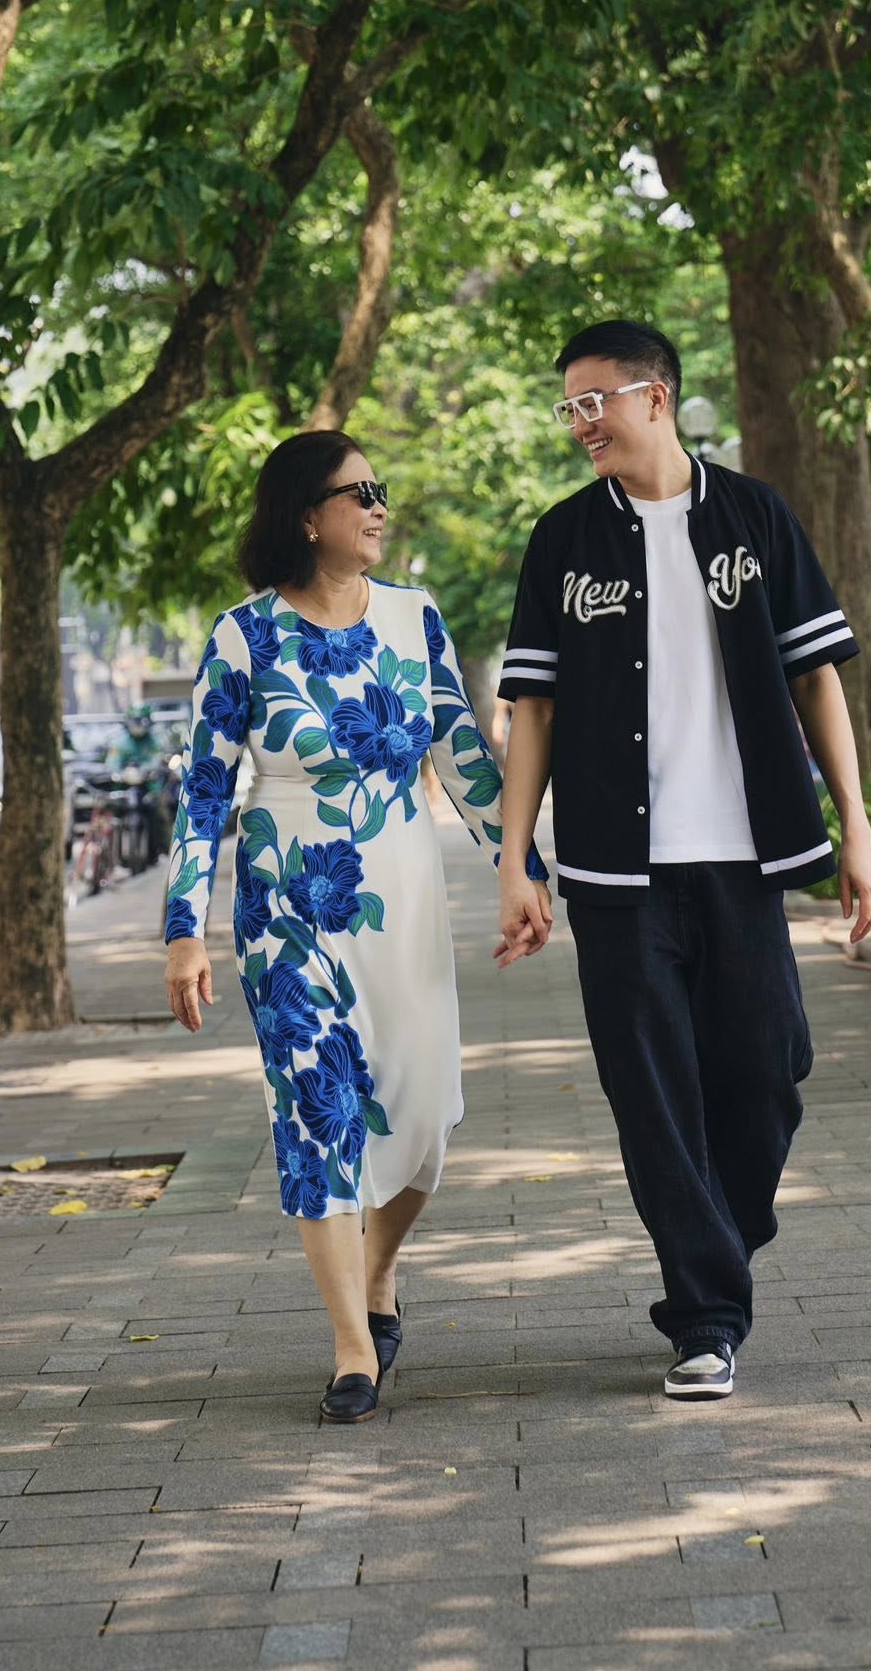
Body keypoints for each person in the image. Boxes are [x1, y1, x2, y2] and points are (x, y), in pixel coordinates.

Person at [496, 321, 871, 1405]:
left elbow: (817, 679)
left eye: (594, 401)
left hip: (744, 857)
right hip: (616, 872)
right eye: (568, 407)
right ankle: (705, 1317)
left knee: (768, 1071)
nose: (580, 424)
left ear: (655, 397)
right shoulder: (564, 539)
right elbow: (533, 710)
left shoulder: (755, 516)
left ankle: (715, 1240)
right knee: (653, 1096)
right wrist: (518, 860)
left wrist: (855, 831)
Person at [163, 432, 549, 1425]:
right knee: (319, 1113)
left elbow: (463, 759)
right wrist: (183, 927)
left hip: (402, 895)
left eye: (383, 488)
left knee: (424, 1117)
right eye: (358, 491)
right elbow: (204, 792)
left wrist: (522, 873)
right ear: (306, 515)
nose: (379, 506)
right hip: (285, 905)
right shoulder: (244, 636)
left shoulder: (416, 619)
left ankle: (378, 1273)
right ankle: (351, 1348)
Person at [110, 705, 168, 862]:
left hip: (148, 786)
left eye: (141, 721)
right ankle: (111, 855)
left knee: (161, 812)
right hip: (124, 787)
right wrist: (117, 772)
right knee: (110, 814)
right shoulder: (120, 742)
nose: (137, 725)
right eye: (134, 721)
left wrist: (148, 769)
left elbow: (157, 758)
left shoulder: (154, 741)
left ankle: (164, 848)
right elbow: (113, 761)